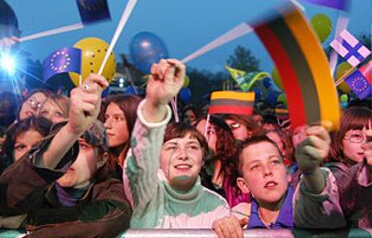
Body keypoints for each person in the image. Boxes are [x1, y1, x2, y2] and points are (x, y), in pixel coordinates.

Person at [0, 75, 131, 237]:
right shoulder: (39, 190)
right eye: (66, 148)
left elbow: (103, 220)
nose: (70, 156)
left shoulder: (111, 190)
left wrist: (29, 221)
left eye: (82, 146)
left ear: (101, 158)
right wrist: (71, 130)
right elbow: (6, 196)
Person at [123, 59, 231, 228]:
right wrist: (154, 106)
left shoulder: (217, 206)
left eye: (192, 147)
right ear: (157, 158)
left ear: (203, 159)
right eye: (172, 147)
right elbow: (138, 165)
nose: (183, 155)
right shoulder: (147, 195)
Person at [212, 124, 348, 238]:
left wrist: (311, 170)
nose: (267, 171)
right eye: (255, 167)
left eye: (274, 162)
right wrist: (222, 227)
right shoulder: (239, 218)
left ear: (287, 173)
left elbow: (318, 195)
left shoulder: (304, 207)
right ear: (243, 185)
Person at [328, 106, 372, 228]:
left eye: (371, 138)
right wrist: (368, 169)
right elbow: (346, 187)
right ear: (339, 140)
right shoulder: (331, 174)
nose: (365, 144)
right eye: (356, 136)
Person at [195, 116, 249, 207]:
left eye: (209, 132)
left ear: (222, 136)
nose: (203, 138)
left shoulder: (239, 172)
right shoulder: (197, 178)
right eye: (198, 135)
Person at [101, 94, 141, 168]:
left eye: (117, 118)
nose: (106, 124)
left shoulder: (143, 168)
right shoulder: (100, 163)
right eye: (106, 117)